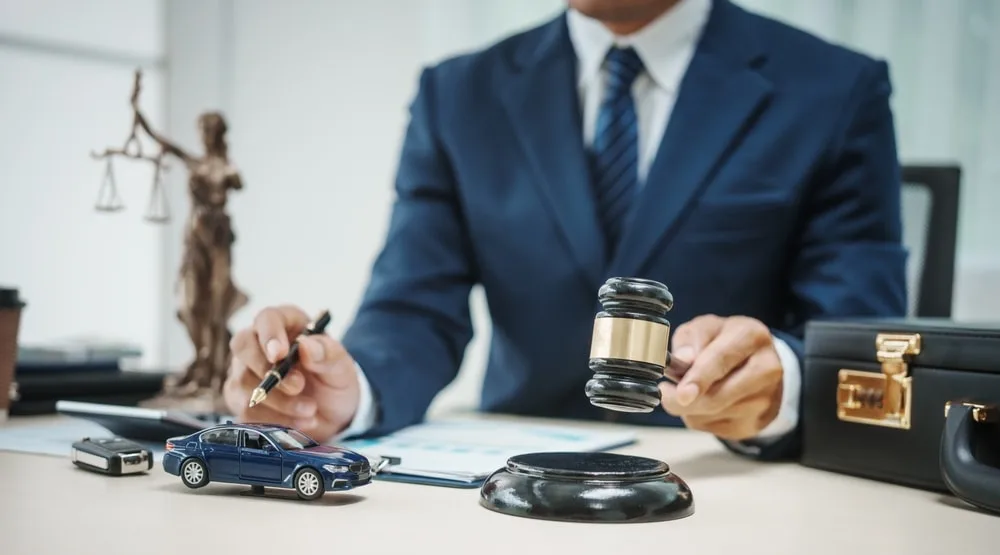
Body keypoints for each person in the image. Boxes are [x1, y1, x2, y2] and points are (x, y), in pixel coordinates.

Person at [223, 0, 907, 461]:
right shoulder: (458, 95)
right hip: (513, 487)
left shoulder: (834, 92)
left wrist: (779, 380)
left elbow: (858, 340)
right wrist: (344, 393)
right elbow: (412, 311)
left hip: (733, 490)